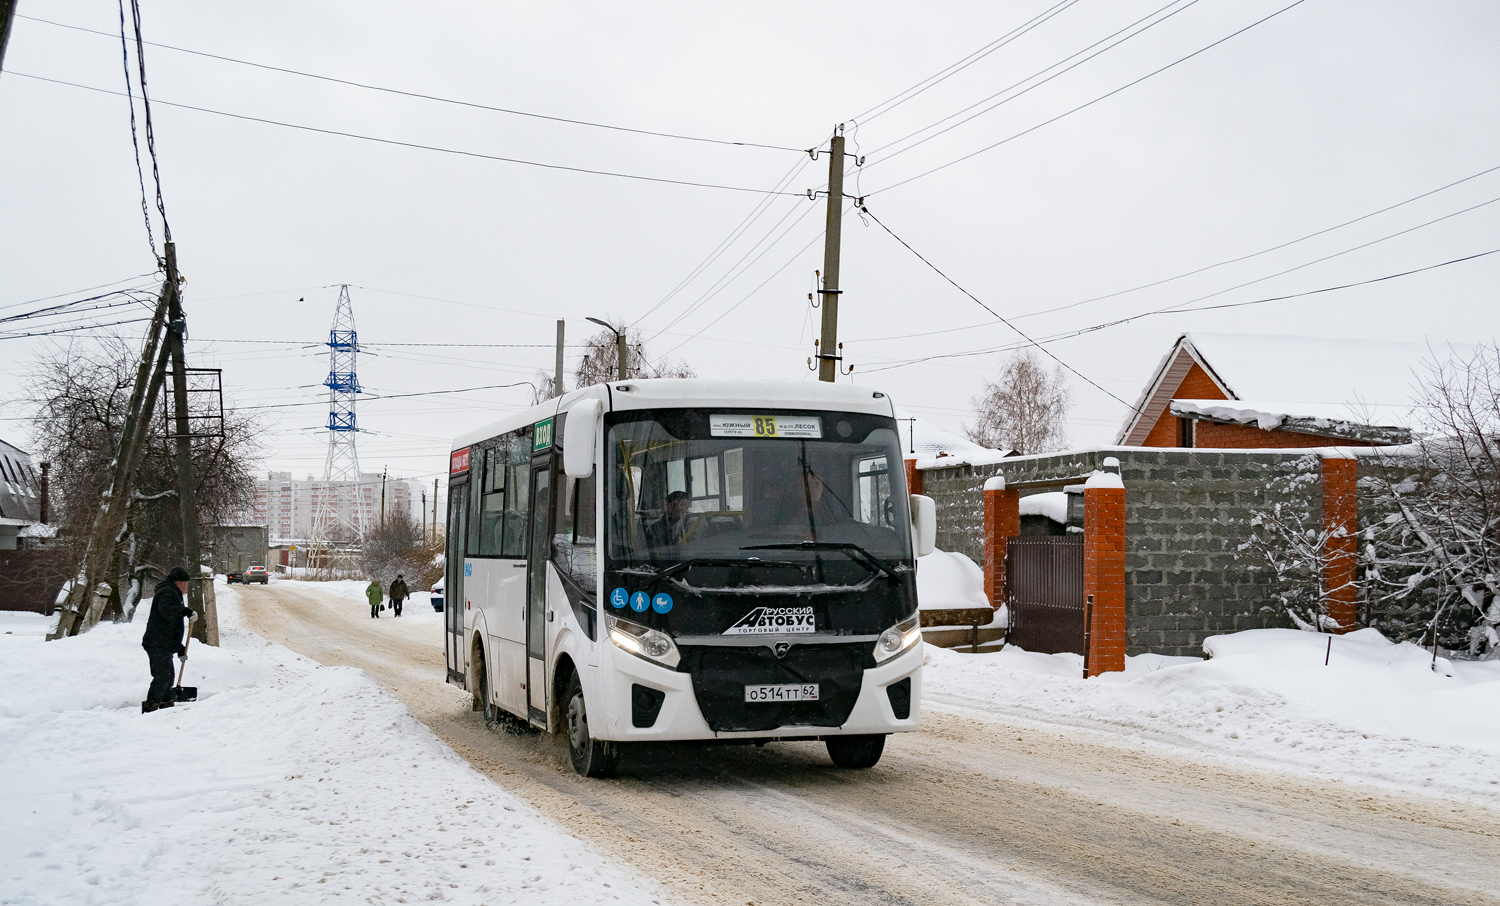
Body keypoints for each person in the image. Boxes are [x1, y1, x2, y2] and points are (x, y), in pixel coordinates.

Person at [142, 566, 196, 712]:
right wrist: (185, 611)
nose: (186, 587)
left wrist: (179, 648)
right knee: (163, 676)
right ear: (181, 582)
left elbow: (169, 626)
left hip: (162, 642)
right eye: (186, 583)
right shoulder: (167, 592)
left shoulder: (170, 591)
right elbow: (167, 611)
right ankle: (151, 707)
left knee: (168, 676)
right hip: (157, 642)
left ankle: (166, 705)